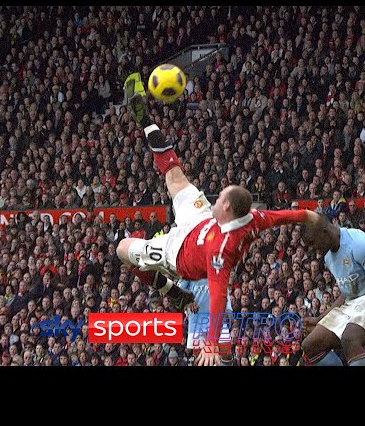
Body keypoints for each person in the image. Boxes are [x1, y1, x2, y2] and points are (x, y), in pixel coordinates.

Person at [116, 73, 309, 366]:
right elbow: (283, 216)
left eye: (220, 198)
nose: (216, 196)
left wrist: (210, 343)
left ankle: (171, 291)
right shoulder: (251, 218)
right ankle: (145, 118)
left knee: (122, 250)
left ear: (228, 207)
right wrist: (307, 215)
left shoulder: (221, 249)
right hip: (199, 220)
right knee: (174, 174)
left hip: (177, 253)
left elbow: (219, 295)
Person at [300, 211, 365, 366]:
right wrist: (319, 319)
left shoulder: (358, 243)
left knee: (350, 339)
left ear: (324, 233)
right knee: (310, 345)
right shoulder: (329, 257)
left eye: (312, 243)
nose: (312, 249)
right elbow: (348, 292)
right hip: (356, 302)